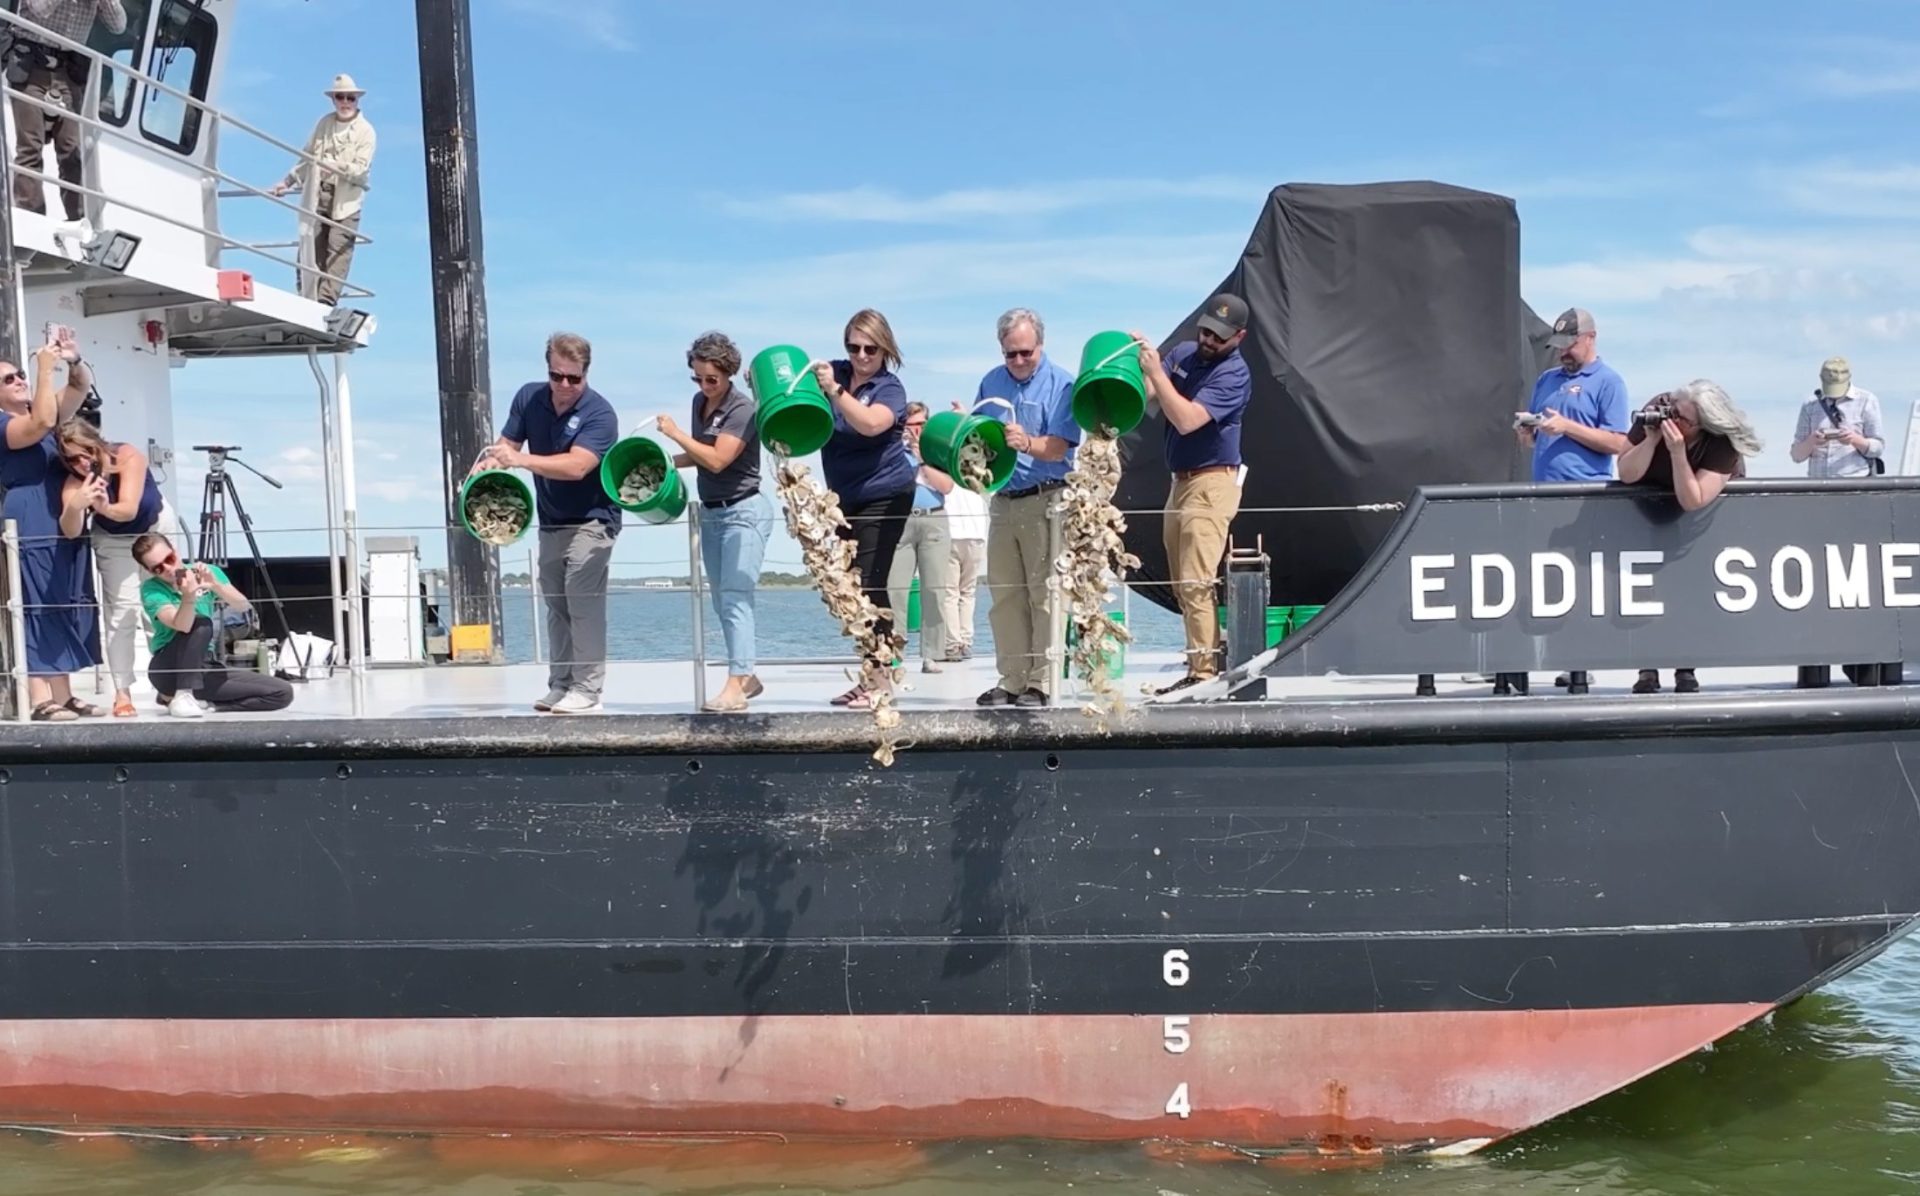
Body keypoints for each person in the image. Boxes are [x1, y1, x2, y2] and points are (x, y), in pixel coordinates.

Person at [475, 333, 620, 714]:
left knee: (581, 599)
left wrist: (521, 461)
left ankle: (588, 690)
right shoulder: (528, 397)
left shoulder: (600, 414)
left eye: (574, 378)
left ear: (586, 374)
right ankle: (561, 684)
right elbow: (506, 444)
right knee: (557, 603)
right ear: (548, 370)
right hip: (552, 520)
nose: (565, 386)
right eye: (558, 376)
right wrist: (491, 463)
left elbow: (577, 466)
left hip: (594, 519)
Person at [1133, 294, 1253, 695]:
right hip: (1179, 483)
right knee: (1181, 581)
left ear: (1239, 337)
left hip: (1212, 483)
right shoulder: (1184, 353)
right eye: (1205, 330)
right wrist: (1137, 364)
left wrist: (1159, 375)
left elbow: (1186, 421)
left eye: (1219, 336)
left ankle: (1204, 673)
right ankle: (1198, 660)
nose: (1208, 340)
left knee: (1196, 580)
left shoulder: (1234, 375)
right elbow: (1150, 393)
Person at [1511, 306, 1632, 695]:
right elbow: (1542, 431)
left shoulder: (1608, 382)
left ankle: (1580, 662)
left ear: (1590, 338)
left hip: (1585, 494)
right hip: (1543, 492)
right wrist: (1529, 433)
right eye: (1558, 345)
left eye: (1569, 344)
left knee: (1580, 581)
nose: (1563, 352)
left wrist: (1567, 427)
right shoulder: (1547, 380)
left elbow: (1619, 441)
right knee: (1541, 578)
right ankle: (1530, 659)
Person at [1617, 380, 1761, 696]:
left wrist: (1678, 452)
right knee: (1647, 589)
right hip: (1650, 509)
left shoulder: (1721, 444)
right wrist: (1652, 442)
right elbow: (1625, 472)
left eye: (1683, 419)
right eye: (1674, 411)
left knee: (1688, 587)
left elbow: (1693, 498)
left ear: (1703, 426)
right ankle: (1647, 667)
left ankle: (1685, 667)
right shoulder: (1657, 411)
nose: (1673, 420)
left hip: (1700, 515)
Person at [657, 331, 771, 714]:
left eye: (712, 379)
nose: (705, 387)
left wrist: (674, 434)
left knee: (737, 598)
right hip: (712, 511)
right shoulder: (698, 402)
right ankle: (747, 677)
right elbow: (702, 454)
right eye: (698, 378)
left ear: (729, 373)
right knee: (723, 601)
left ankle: (736, 685)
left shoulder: (743, 409)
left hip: (744, 511)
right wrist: (668, 460)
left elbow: (720, 459)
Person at [971, 307, 1080, 708]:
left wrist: (1027, 443)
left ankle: (1043, 682)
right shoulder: (990, 382)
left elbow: (1062, 447)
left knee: (1046, 595)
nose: (1017, 361)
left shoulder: (1062, 383)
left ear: (1041, 345)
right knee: (1005, 595)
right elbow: (977, 435)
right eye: (1010, 354)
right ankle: (1012, 680)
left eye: (1025, 353)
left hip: (1047, 500)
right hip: (1002, 500)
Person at [812, 309, 916, 711]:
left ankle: (882, 681)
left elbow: (871, 424)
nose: (860, 355)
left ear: (884, 348)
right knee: (850, 589)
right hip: (843, 498)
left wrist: (837, 393)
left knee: (871, 584)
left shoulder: (891, 388)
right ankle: (868, 675)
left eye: (870, 348)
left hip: (886, 492)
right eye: (853, 347)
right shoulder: (836, 370)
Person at [54, 417, 187, 717]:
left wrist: (101, 506)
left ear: (98, 444)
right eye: (73, 458)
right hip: (114, 540)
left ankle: (171, 686)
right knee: (122, 612)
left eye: (87, 452)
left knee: (162, 607)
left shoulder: (127, 456)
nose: (83, 462)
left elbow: (126, 510)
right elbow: (71, 530)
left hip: (154, 528)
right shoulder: (75, 482)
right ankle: (122, 692)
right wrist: (77, 505)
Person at [0, 334, 100, 720]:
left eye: (20, 374)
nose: (19, 380)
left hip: (61, 512)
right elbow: (41, 420)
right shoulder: (5, 426)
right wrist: (44, 369)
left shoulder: (40, 410)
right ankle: (40, 697)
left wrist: (72, 359)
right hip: (30, 513)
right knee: (36, 602)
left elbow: (79, 386)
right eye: (8, 379)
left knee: (64, 599)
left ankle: (64, 691)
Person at [133, 532, 293, 717]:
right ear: (150, 572)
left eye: (169, 559)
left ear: (175, 551)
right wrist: (189, 595)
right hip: (169, 666)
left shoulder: (205, 571)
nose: (168, 568)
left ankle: (207, 705)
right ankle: (183, 694)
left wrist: (216, 585)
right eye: (158, 568)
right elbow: (183, 625)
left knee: (282, 692)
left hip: (204, 664)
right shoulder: (151, 589)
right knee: (201, 623)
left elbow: (243, 605)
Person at [9, 0, 127, 224]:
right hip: (31, 66)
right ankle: (31, 220)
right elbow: (39, 9)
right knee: (30, 146)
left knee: (72, 150)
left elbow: (119, 25)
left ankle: (80, 223)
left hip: (67, 72)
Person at [268, 74, 376, 306]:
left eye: (350, 98)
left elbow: (360, 169)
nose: (345, 102)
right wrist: (287, 182)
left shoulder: (366, 131)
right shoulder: (324, 124)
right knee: (310, 243)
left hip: (346, 200)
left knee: (338, 251)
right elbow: (307, 157)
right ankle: (306, 297)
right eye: (340, 97)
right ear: (333, 99)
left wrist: (333, 167)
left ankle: (326, 302)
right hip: (317, 194)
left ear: (357, 101)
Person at [886, 403, 954, 674]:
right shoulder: (892, 452)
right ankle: (893, 653)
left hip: (933, 518)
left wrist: (922, 458)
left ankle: (932, 654)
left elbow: (946, 486)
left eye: (921, 425)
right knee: (895, 590)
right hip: (900, 520)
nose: (916, 431)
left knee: (935, 588)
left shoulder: (937, 450)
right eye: (911, 425)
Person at [1790, 356, 1883, 479]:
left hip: (1855, 482)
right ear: (1821, 379)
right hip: (1817, 484)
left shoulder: (1867, 400)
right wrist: (1813, 440)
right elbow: (1796, 455)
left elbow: (1878, 448)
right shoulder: (1810, 405)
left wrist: (1854, 439)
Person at [942, 477, 987, 661]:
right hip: (976, 536)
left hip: (951, 534)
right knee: (968, 592)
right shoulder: (979, 480)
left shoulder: (944, 478)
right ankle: (966, 641)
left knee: (949, 593)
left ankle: (952, 644)